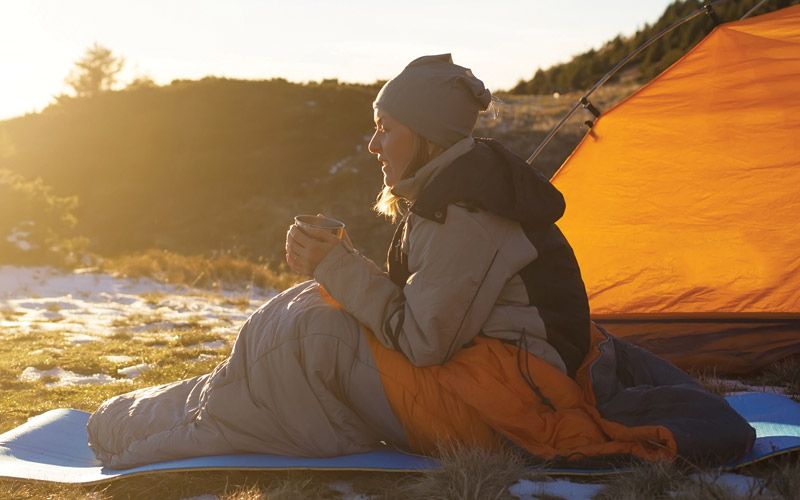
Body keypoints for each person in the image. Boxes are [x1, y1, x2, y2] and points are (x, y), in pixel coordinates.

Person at [88, 54, 754, 469]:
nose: (374, 143)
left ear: (427, 136)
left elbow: (425, 341)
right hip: (497, 367)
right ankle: (162, 412)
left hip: (501, 398)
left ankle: (141, 438)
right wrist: (343, 263)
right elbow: (429, 305)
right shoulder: (452, 189)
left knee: (307, 336)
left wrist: (336, 269)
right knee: (302, 326)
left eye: (386, 128)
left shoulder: (463, 211)